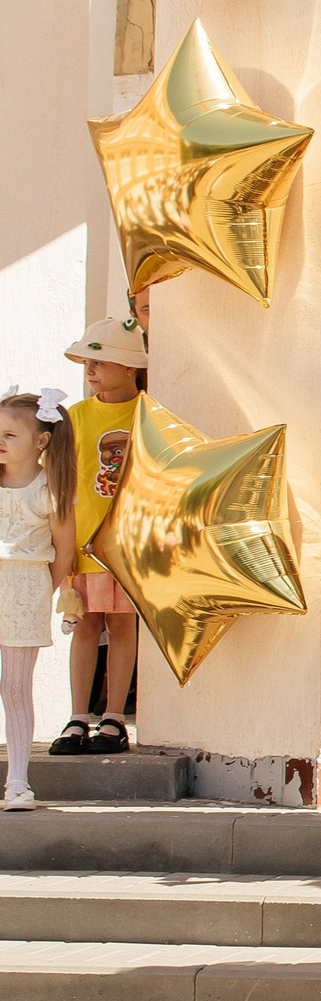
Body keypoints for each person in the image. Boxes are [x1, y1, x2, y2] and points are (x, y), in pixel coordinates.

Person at [48, 318, 147, 757]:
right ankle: (77, 716)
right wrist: (63, 546)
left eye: (102, 361)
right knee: (85, 624)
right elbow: (61, 484)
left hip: (127, 545)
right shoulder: (75, 418)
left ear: (130, 367)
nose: (91, 369)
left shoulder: (149, 415)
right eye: (88, 361)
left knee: (122, 625)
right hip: (82, 544)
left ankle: (114, 717)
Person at [0, 389, 73, 809]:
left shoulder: (51, 489)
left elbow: (64, 550)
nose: (1, 440)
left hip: (26, 587)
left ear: (42, 440)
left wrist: (42, 590)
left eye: (10, 434)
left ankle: (17, 782)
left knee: (14, 687)